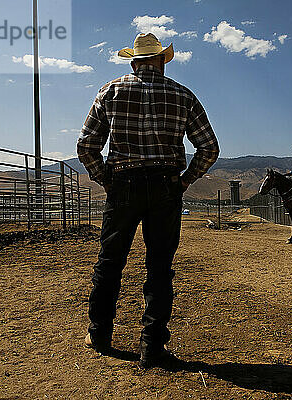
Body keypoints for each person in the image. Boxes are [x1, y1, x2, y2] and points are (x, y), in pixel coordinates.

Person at [77, 33, 219, 368]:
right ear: (161, 61)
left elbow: (86, 145)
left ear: (133, 61)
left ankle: (99, 334)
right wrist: (184, 181)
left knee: (110, 261)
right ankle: (151, 345)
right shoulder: (183, 95)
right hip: (165, 187)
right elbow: (209, 148)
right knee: (159, 266)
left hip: (123, 186)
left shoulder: (110, 91)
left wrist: (107, 179)